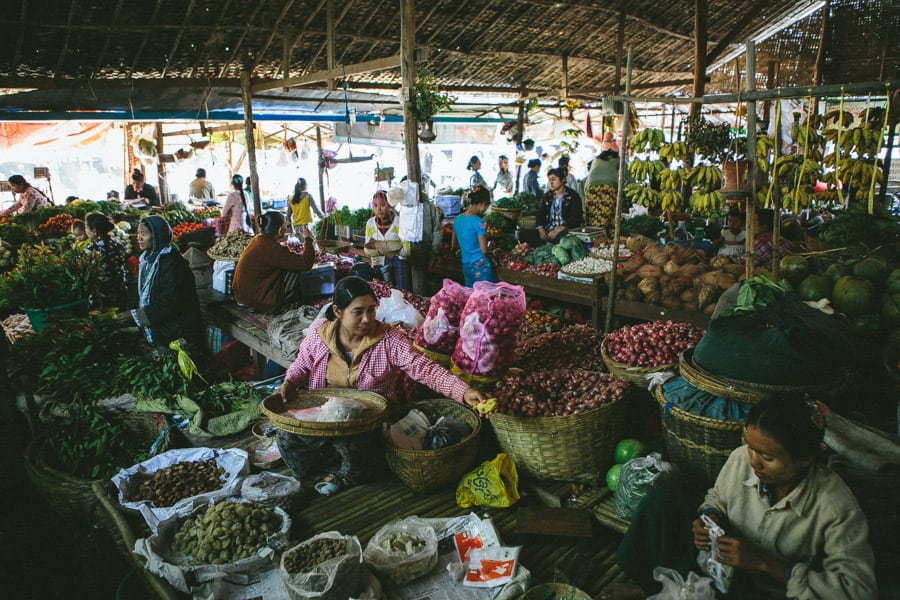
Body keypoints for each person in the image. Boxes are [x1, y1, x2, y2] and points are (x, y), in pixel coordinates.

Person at [618, 396, 877, 599]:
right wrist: (709, 516)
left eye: (768, 457)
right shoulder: (742, 458)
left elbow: (857, 590)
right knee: (664, 493)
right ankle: (654, 587)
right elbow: (718, 496)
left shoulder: (835, 506)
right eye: (751, 448)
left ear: (805, 459)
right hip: (721, 571)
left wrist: (765, 564)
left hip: (768, 592)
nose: (754, 462)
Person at [277, 276, 488, 495]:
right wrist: (290, 381)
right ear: (338, 312)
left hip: (367, 421)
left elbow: (424, 368)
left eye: (371, 310)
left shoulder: (388, 339)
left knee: (356, 452)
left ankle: (342, 472)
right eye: (358, 312)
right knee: (286, 438)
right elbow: (302, 363)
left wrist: (464, 391)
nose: (367, 319)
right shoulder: (320, 333)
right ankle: (328, 469)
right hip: (325, 416)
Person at [119, 215, 203, 354]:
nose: (138, 237)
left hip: (178, 330)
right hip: (163, 327)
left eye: (144, 234)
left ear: (157, 236)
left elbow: (169, 303)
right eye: (138, 233)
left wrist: (134, 315)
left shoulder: (173, 264)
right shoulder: (147, 259)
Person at [232, 211, 316, 314]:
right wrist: (308, 239)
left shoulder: (258, 240)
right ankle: (281, 306)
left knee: (287, 267)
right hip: (254, 300)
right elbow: (305, 264)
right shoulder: (270, 248)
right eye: (285, 225)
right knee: (295, 271)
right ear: (281, 230)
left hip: (242, 296)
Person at [524, 167, 583, 245]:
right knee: (524, 234)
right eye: (549, 180)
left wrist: (559, 229)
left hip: (566, 230)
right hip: (549, 229)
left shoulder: (573, 195)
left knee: (561, 239)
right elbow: (540, 214)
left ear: (563, 180)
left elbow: (576, 218)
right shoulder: (548, 196)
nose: (550, 183)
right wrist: (540, 228)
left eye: (554, 179)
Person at [452, 187, 497, 287]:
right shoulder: (479, 222)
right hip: (480, 265)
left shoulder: (457, 219)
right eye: (486, 206)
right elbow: (484, 250)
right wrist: (491, 246)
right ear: (483, 203)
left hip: (466, 265)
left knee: (472, 295)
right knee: (487, 295)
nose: (485, 209)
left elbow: (453, 245)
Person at [364, 190, 409, 287]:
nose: (379, 209)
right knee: (382, 294)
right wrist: (379, 252)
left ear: (389, 204)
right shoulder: (370, 224)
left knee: (402, 294)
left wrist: (393, 251)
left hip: (399, 265)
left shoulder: (399, 222)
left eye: (382, 205)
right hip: (378, 264)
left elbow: (408, 249)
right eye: (375, 205)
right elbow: (366, 248)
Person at [85, 212, 127, 308]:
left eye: (86, 227)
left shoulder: (92, 249)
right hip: (121, 292)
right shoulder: (118, 244)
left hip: (102, 297)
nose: (86, 231)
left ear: (94, 230)